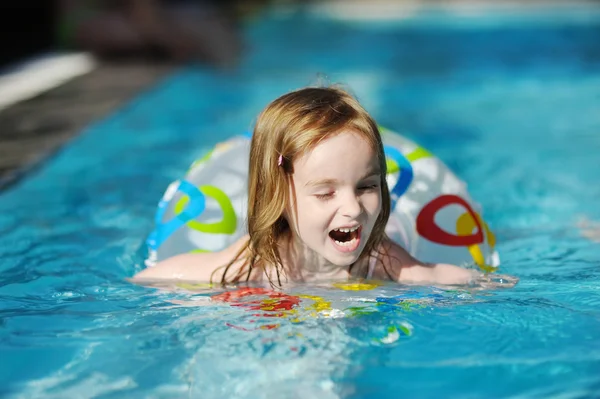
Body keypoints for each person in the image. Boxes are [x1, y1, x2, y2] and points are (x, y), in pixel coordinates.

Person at [133, 86, 517, 288]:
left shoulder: (378, 259)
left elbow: (432, 276)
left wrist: (499, 285)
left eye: (366, 186)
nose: (352, 208)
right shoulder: (254, 264)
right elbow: (177, 273)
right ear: (279, 195)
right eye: (325, 193)